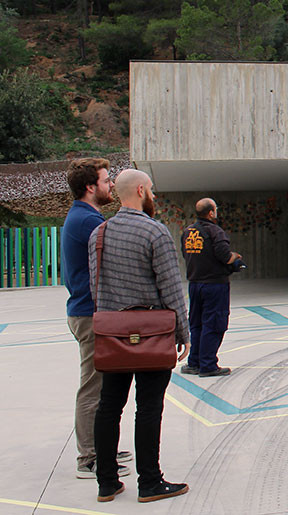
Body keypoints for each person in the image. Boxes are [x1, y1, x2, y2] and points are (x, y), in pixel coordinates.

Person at [89, 169, 190, 504]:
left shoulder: (99, 233)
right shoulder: (155, 232)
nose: (155, 197)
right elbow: (172, 288)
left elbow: (95, 286)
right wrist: (183, 331)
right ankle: (150, 482)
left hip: (112, 334)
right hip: (151, 334)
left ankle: (107, 482)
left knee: (108, 406)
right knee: (148, 407)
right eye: (153, 191)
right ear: (142, 190)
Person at [62, 158, 132, 480]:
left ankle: (102, 445)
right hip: (90, 316)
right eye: (106, 181)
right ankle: (89, 457)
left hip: (88, 312)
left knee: (104, 387)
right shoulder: (86, 221)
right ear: (91, 187)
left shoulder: (85, 217)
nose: (110, 186)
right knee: (93, 387)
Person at [179, 198, 241, 377]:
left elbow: (186, 254)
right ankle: (208, 364)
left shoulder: (188, 231)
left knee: (197, 323)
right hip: (214, 285)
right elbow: (224, 256)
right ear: (211, 213)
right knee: (214, 323)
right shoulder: (215, 231)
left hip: (195, 284)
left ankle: (194, 362)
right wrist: (235, 257)